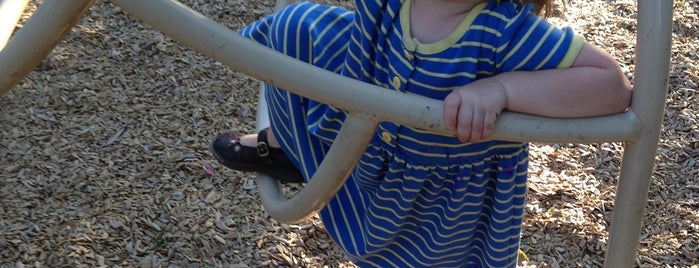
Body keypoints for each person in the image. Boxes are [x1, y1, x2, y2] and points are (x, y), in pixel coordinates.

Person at [211, 0, 632, 266]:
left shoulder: (503, 31)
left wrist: (502, 89)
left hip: (438, 211)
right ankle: (290, 149)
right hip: (361, 151)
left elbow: (612, 87)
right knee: (294, 27)